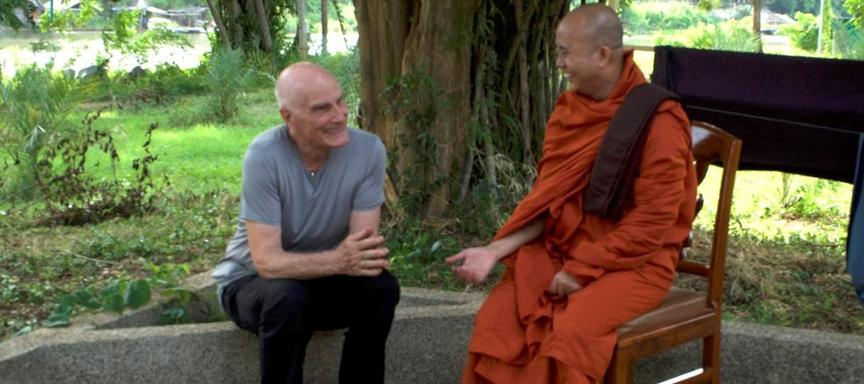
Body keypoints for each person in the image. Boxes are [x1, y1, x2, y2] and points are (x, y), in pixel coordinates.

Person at [445, 4, 698, 383]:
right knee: (501, 315)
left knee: (570, 331)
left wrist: (584, 269)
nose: (558, 63)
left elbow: (652, 224)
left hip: (636, 263)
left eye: (565, 52)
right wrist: (494, 251)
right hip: (565, 248)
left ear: (601, 55)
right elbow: (551, 204)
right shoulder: (570, 110)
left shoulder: (658, 121)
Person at [211, 62, 399, 384]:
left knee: (380, 287)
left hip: (320, 281)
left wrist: (346, 260)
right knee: (287, 297)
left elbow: (361, 253)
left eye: (340, 101)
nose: (340, 115)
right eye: (322, 109)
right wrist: (340, 259)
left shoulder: (368, 150)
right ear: (288, 116)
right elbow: (267, 263)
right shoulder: (264, 155)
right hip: (252, 285)